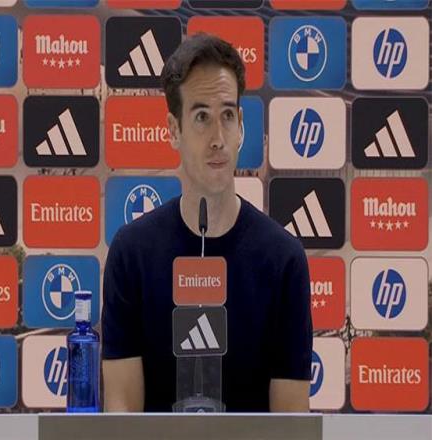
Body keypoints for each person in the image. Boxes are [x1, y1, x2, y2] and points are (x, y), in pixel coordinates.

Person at [101, 33, 312, 412]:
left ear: (241, 126)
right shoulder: (131, 254)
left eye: (227, 116)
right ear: (173, 130)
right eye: (201, 117)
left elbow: (292, 424)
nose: (218, 138)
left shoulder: (284, 260)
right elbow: (122, 418)